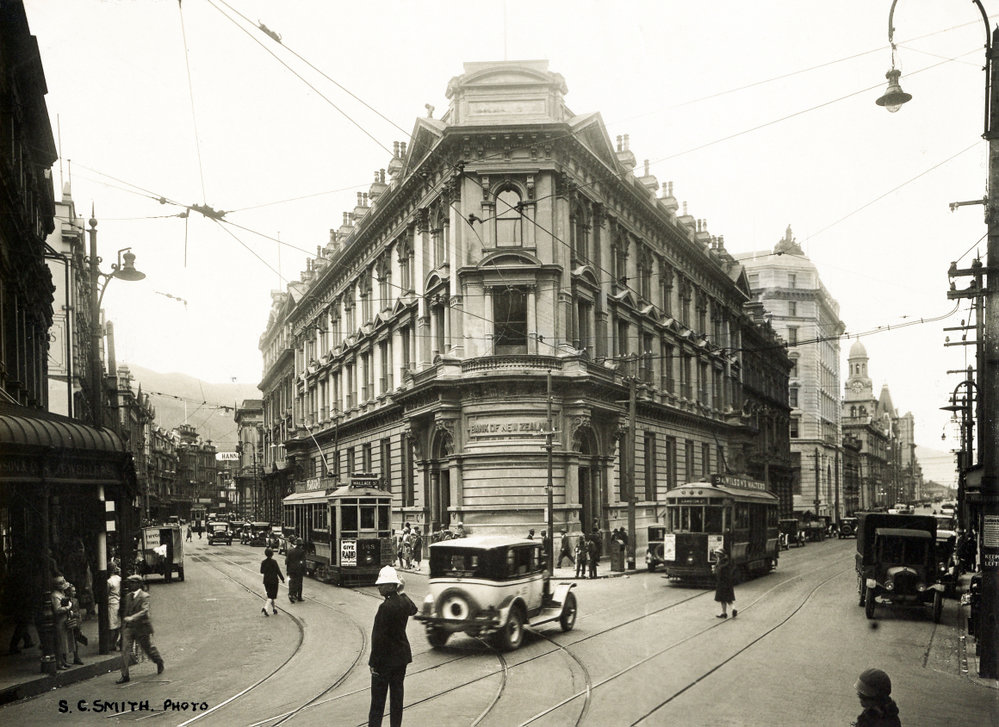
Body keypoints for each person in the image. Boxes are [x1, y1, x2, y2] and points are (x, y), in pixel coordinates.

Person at [367, 566, 417, 727]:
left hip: (384, 661)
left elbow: (378, 638)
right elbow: (414, 609)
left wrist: (373, 663)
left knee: (378, 702)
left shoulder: (385, 607)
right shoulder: (403, 601)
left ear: (391, 585)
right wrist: (401, 591)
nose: (378, 587)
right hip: (401, 658)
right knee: (397, 698)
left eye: (382, 584)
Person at [116, 575, 164, 683]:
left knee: (148, 649)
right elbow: (125, 612)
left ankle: (158, 661)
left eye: (132, 582)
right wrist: (122, 626)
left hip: (142, 627)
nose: (130, 584)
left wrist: (132, 618)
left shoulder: (144, 596)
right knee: (125, 650)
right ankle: (125, 675)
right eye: (129, 582)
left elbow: (144, 611)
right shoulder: (128, 597)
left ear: (138, 584)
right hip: (129, 628)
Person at [51, 576, 71, 670]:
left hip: (64, 619)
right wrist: (68, 607)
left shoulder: (61, 593)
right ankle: (59, 663)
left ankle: (64, 661)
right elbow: (57, 610)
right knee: (60, 642)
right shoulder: (55, 595)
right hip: (59, 620)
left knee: (64, 642)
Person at [260, 548, 284, 616]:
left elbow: (261, 571)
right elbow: (278, 571)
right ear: (272, 554)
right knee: (272, 595)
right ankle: (265, 608)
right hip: (274, 581)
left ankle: (274, 609)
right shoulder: (274, 562)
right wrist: (282, 579)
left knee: (270, 595)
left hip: (266, 581)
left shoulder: (263, 562)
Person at [713, 548, 736, 619]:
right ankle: (733, 609)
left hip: (722, 583)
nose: (716, 554)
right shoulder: (726, 561)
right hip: (728, 583)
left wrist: (715, 570)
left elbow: (719, 572)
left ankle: (724, 613)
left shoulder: (722, 563)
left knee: (722, 599)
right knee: (728, 598)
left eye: (717, 553)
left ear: (720, 554)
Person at [285, 538, 305, 603]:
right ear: (301, 545)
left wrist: (287, 570)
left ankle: (291, 594)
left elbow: (287, 561)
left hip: (291, 570)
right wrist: (304, 570)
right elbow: (303, 562)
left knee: (292, 582)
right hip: (299, 570)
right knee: (299, 583)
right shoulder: (302, 551)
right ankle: (299, 597)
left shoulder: (290, 551)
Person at [107, 565, 122, 650]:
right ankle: (116, 642)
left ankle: (111, 644)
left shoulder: (109, 581)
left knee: (112, 626)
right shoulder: (119, 579)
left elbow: (106, 593)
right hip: (118, 602)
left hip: (111, 603)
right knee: (117, 625)